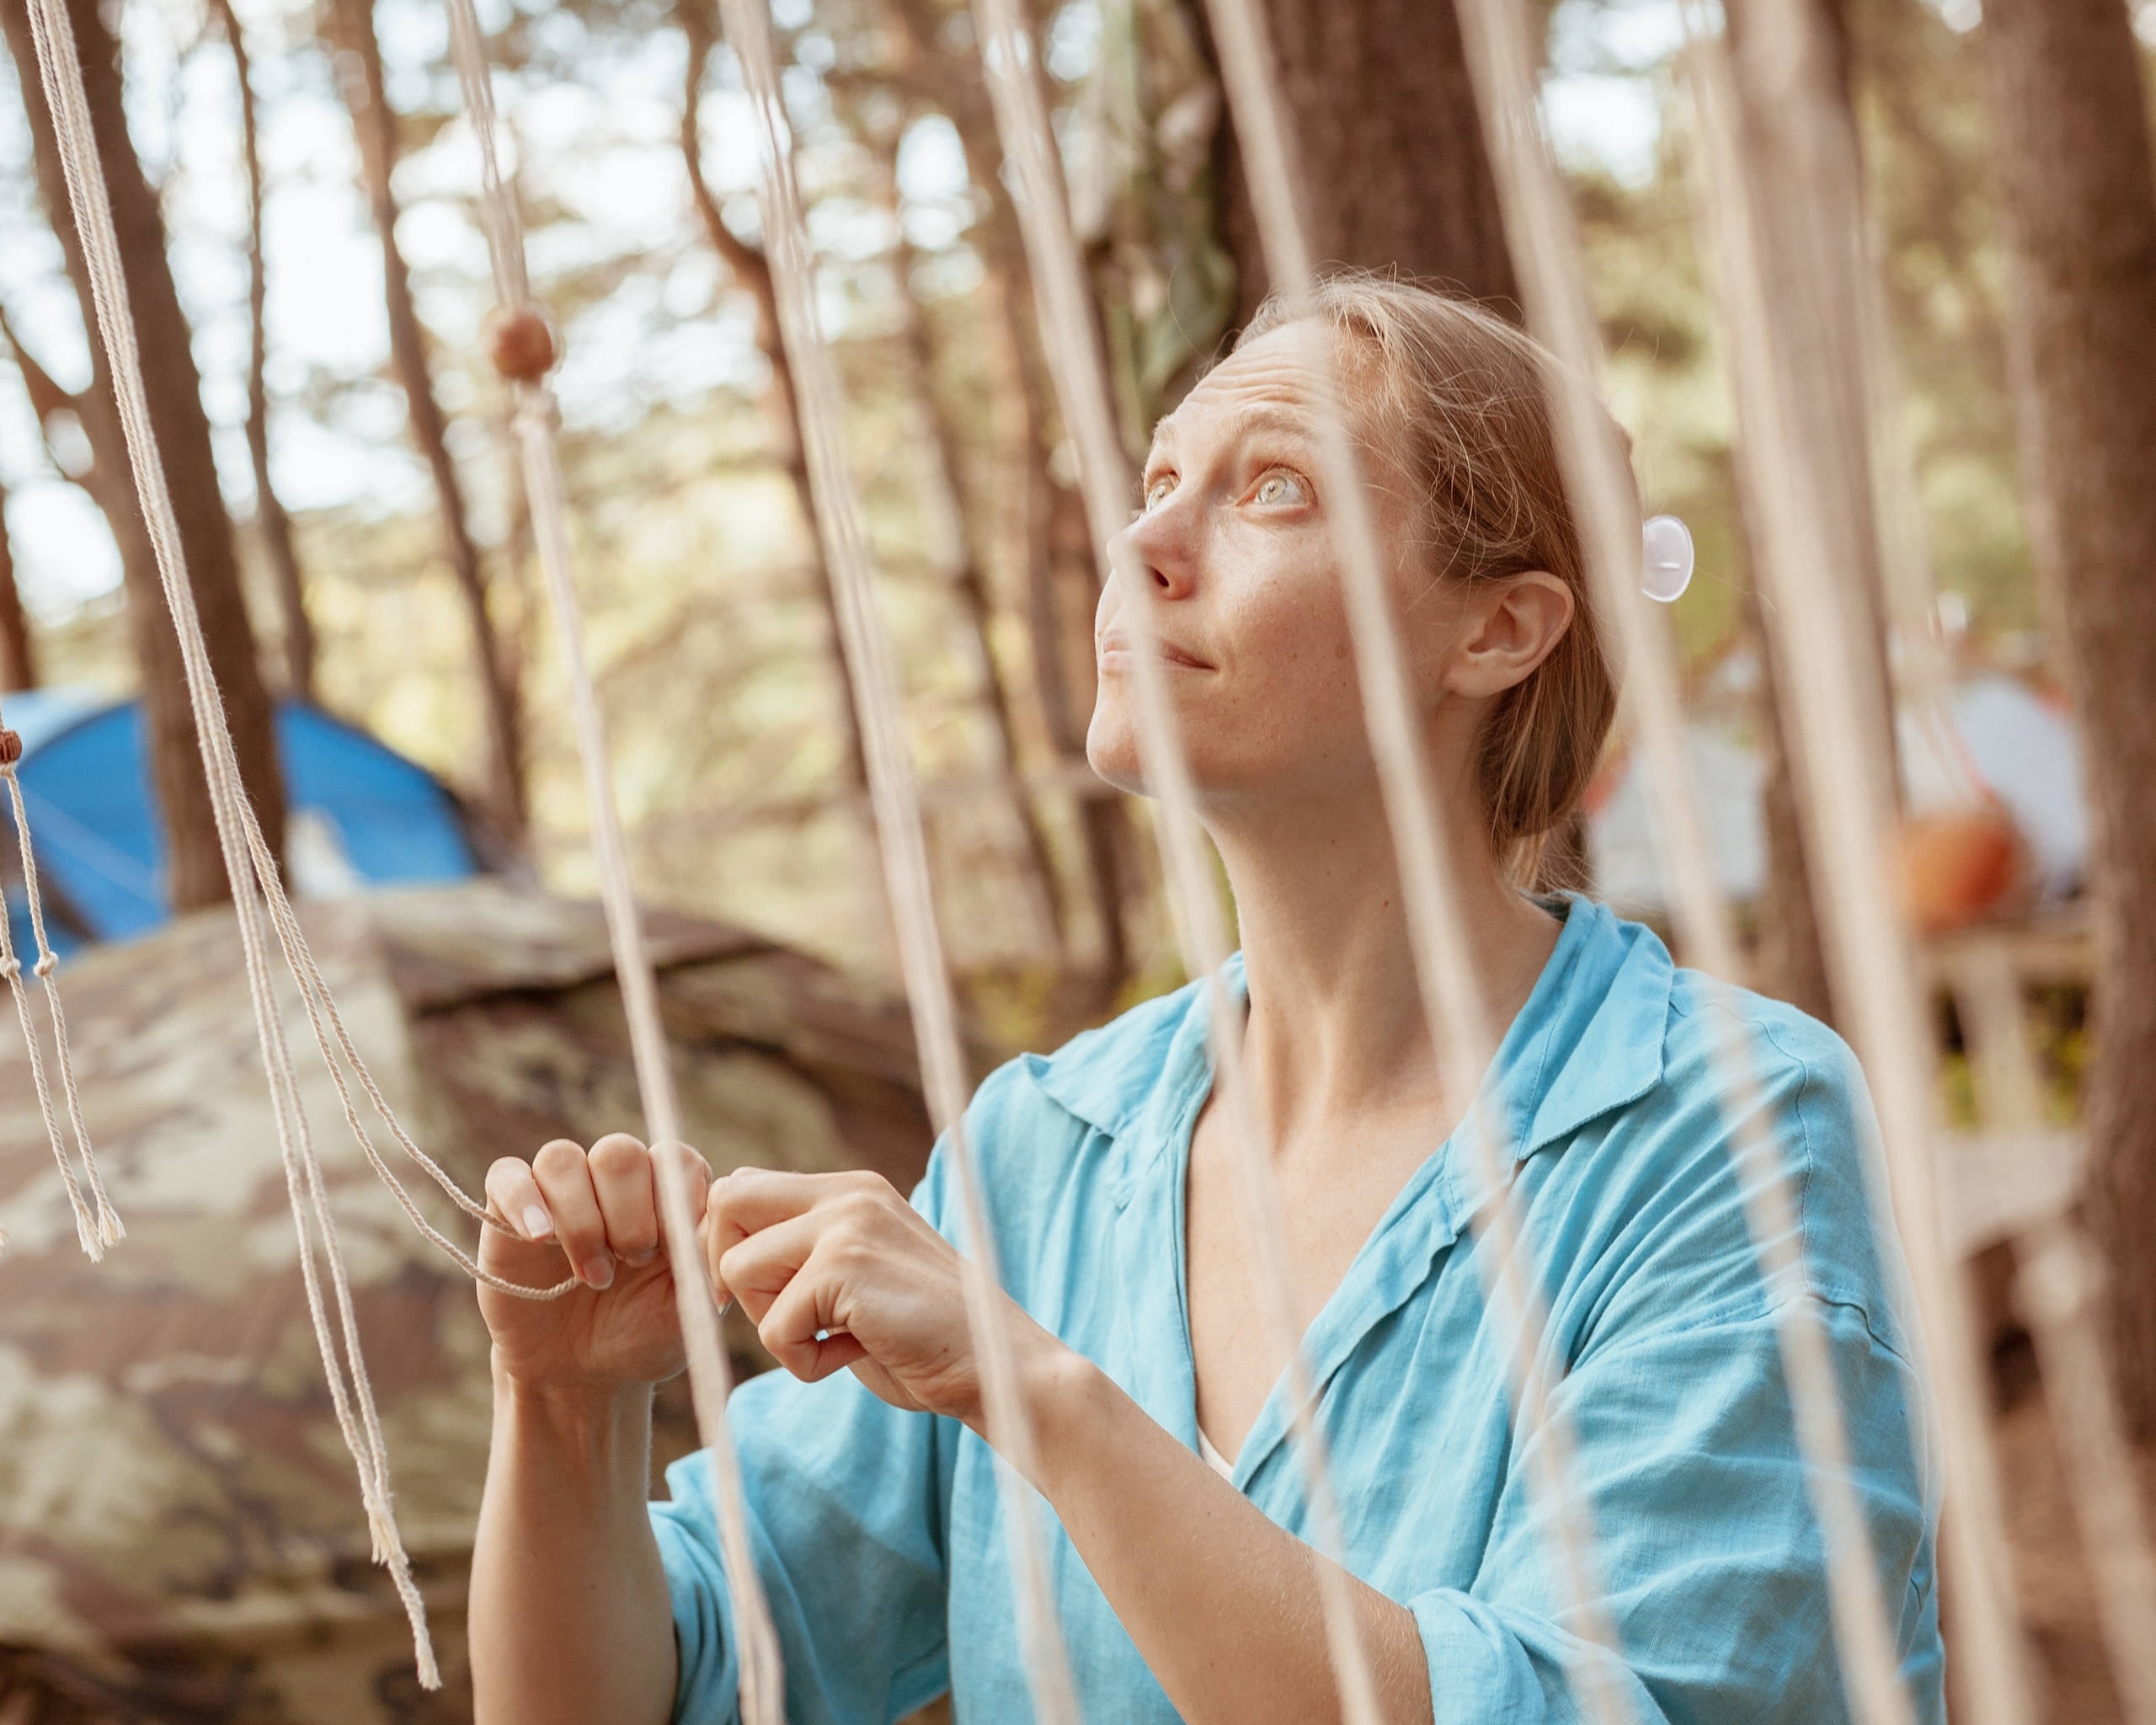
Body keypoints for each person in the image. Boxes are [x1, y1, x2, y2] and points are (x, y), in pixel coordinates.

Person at [466, 275, 1943, 1724]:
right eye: (1160, 476)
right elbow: (646, 1688)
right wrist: (568, 1413)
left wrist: (1039, 1394)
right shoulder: (1046, 1153)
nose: (1146, 539)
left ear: (1499, 632)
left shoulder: (1723, 1125)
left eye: (1275, 489)